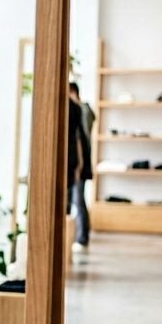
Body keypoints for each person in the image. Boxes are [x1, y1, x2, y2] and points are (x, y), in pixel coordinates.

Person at [67, 83, 93, 250]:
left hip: (79, 163)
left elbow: (80, 138)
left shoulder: (81, 110)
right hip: (76, 162)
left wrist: (80, 165)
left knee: (78, 199)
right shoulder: (78, 110)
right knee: (72, 200)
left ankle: (82, 238)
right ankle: (73, 237)